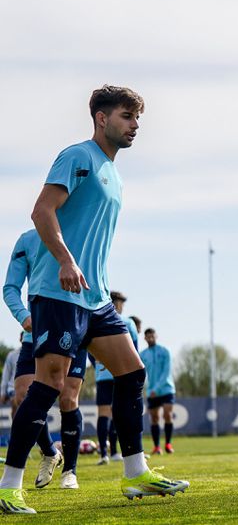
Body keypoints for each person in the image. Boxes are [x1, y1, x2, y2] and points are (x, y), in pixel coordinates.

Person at [0, 86, 187, 514]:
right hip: (60, 292)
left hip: (96, 297)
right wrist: (65, 261)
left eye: (137, 118)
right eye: (127, 117)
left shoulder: (113, 173)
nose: (135, 126)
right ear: (102, 119)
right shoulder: (78, 156)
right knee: (48, 386)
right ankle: (9, 486)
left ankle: (136, 472)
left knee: (132, 371)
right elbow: (41, 211)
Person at [3, 228, 89, 490]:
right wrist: (24, 316)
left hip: (74, 327)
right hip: (37, 331)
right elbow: (10, 288)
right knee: (21, 396)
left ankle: (70, 471)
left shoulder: (79, 231)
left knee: (67, 398)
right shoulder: (27, 239)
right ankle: (51, 452)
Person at [93, 291, 139, 465]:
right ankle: (113, 452)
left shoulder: (95, 319)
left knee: (104, 413)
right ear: (116, 303)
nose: (120, 306)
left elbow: (89, 347)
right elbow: (134, 349)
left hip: (103, 374)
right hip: (121, 373)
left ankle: (104, 454)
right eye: (120, 303)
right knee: (119, 412)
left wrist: (98, 362)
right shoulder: (127, 322)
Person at [140, 328, 176, 455]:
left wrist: (157, 388)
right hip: (151, 391)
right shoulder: (142, 354)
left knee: (168, 415)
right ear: (145, 338)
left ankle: (168, 444)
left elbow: (166, 372)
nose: (150, 338)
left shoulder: (165, 351)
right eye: (148, 337)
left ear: (156, 336)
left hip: (166, 389)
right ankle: (157, 447)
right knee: (154, 418)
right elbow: (141, 373)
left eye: (152, 336)